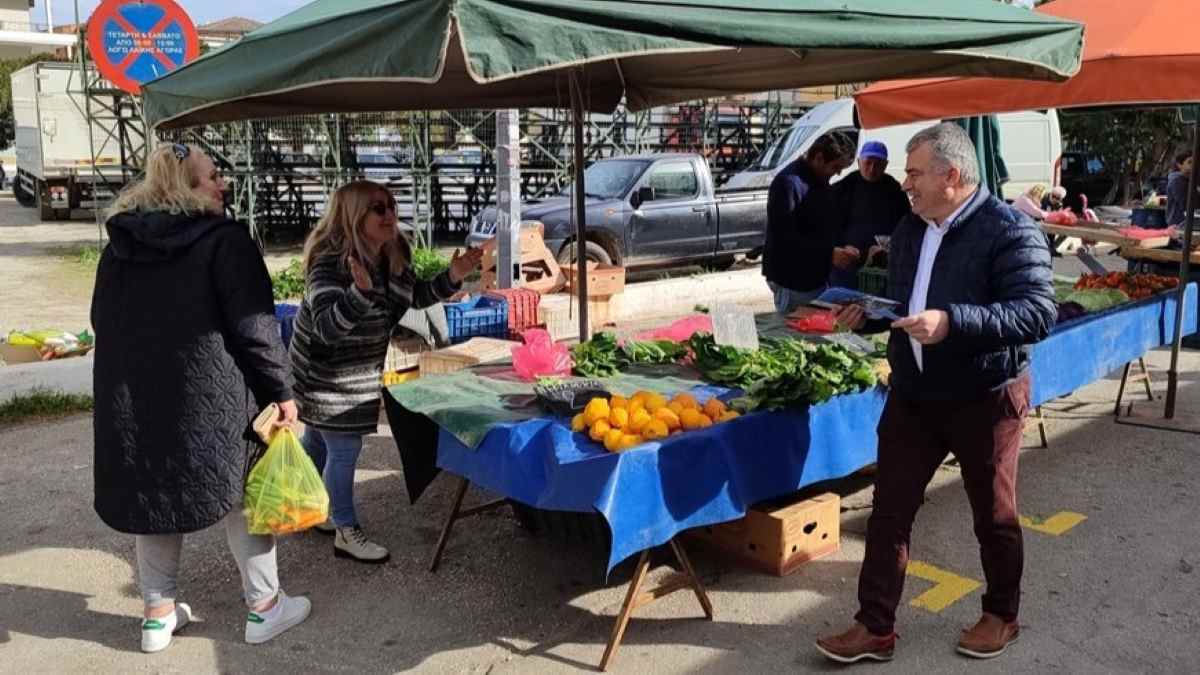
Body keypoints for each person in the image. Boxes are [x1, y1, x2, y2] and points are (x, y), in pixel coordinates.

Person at [818, 123, 1056, 664]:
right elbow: (908, 308)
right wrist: (869, 318)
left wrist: (953, 322)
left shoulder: (1009, 231)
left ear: (951, 176)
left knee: (993, 514)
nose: (906, 183)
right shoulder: (910, 229)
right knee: (889, 512)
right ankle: (874, 625)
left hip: (984, 394)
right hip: (914, 394)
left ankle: (1001, 614)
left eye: (915, 172)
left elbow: (1037, 313)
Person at [92, 144, 311, 653]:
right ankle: (265, 607)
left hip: (136, 395)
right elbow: (255, 327)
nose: (223, 185)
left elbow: (100, 319)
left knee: (154, 493)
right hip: (212, 395)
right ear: (186, 187)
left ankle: (157, 615)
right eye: (213, 177)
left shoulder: (120, 244)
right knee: (243, 494)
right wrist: (281, 392)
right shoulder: (225, 241)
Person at [290, 180, 483, 563]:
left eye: (391, 205)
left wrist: (453, 276)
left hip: (361, 367)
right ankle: (345, 529)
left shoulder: (393, 252)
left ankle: (301, 505)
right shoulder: (330, 261)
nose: (389, 214)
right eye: (378, 208)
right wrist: (359, 293)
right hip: (325, 371)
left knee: (317, 439)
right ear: (353, 216)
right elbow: (328, 328)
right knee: (343, 447)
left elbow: (413, 299)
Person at [762, 130, 857, 314]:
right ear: (819, 158)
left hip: (815, 278)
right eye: (836, 167)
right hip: (792, 280)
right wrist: (829, 253)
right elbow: (785, 238)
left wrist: (842, 247)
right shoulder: (789, 183)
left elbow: (823, 224)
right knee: (798, 336)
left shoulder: (819, 180)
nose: (837, 173)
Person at [829, 141, 911, 288]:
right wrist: (840, 247)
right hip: (848, 263)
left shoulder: (895, 190)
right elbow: (828, 224)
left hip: (883, 265)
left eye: (878, 164)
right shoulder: (843, 188)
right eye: (868, 163)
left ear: (886, 165)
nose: (872, 169)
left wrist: (891, 246)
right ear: (859, 162)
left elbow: (907, 223)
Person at [1166, 151, 1200, 228]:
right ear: (1179, 165)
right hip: (1180, 224)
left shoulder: (1191, 179)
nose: (1194, 164)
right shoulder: (1177, 181)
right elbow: (1187, 204)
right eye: (1190, 162)